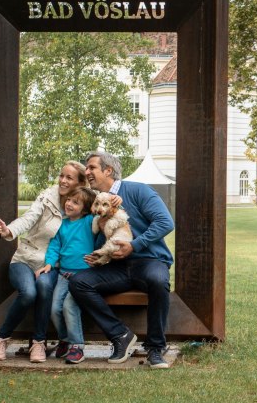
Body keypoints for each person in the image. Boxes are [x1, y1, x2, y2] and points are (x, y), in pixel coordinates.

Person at [69, 151, 174, 368]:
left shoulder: (139, 190)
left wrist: (134, 245)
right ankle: (120, 335)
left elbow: (165, 223)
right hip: (117, 266)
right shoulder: (97, 203)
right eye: (86, 168)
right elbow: (102, 239)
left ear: (108, 171)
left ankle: (155, 348)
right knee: (79, 282)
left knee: (158, 280)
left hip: (149, 261)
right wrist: (100, 255)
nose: (86, 172)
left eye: (91, 167)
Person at [0, 161, 88, 363]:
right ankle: (1, 338)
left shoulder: (82, 205)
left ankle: (38, 343)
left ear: (79, 183)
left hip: (51, 264)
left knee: (43, 286)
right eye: (61, 175)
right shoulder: (47, 197)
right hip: (25, 258)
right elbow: (28, 218)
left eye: (69, 177)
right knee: (28, 293)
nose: (62, 180)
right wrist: (8, 230)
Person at [34, 186, 97, 364]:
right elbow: (54, 246)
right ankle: (65, 339)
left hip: (83, 276)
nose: (69, 203)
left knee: (70, 306)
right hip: (63, 274)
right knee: (54, 308)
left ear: (85, 209)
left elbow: (103, 213)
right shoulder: (61, 224)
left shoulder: (89, 222)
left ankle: (77, 346)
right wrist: (49, 264)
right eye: (68, 199)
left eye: (75, 202)